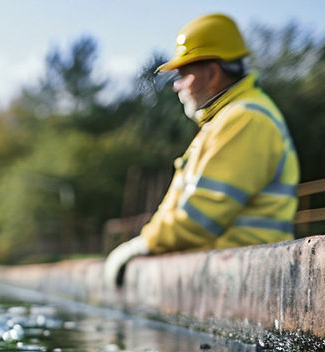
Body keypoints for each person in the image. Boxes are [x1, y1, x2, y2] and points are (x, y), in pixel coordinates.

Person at [104, 13, 299, 285]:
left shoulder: (245, 119)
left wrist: (144, 244)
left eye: (183, 74)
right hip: (235, 272)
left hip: (249, 279)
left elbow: (199, 217)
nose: (176, 86)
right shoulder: (225, 120)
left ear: (212, 73)